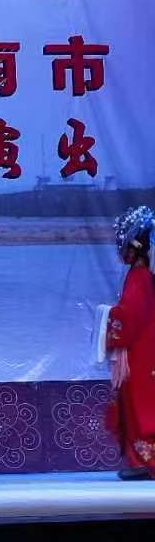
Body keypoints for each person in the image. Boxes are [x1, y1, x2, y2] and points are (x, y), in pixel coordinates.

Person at [105, 205, 155, 480]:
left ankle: (143, 462)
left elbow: (130, 315)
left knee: (139, 403)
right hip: (145, 346)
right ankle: (140, 460)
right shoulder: (143, 275)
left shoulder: (139, 276)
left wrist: (109, 315)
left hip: (141, 350)